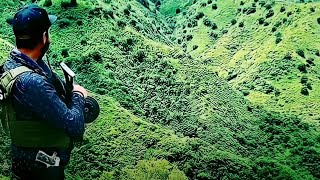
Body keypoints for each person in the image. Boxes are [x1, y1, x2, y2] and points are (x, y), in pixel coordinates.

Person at [2, 4, 87, 180]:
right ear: (43, 36)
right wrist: (79, 95)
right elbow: (75, 127)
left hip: (26, 165)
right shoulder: (32, 82)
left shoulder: (12, 65)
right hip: (40, 172)